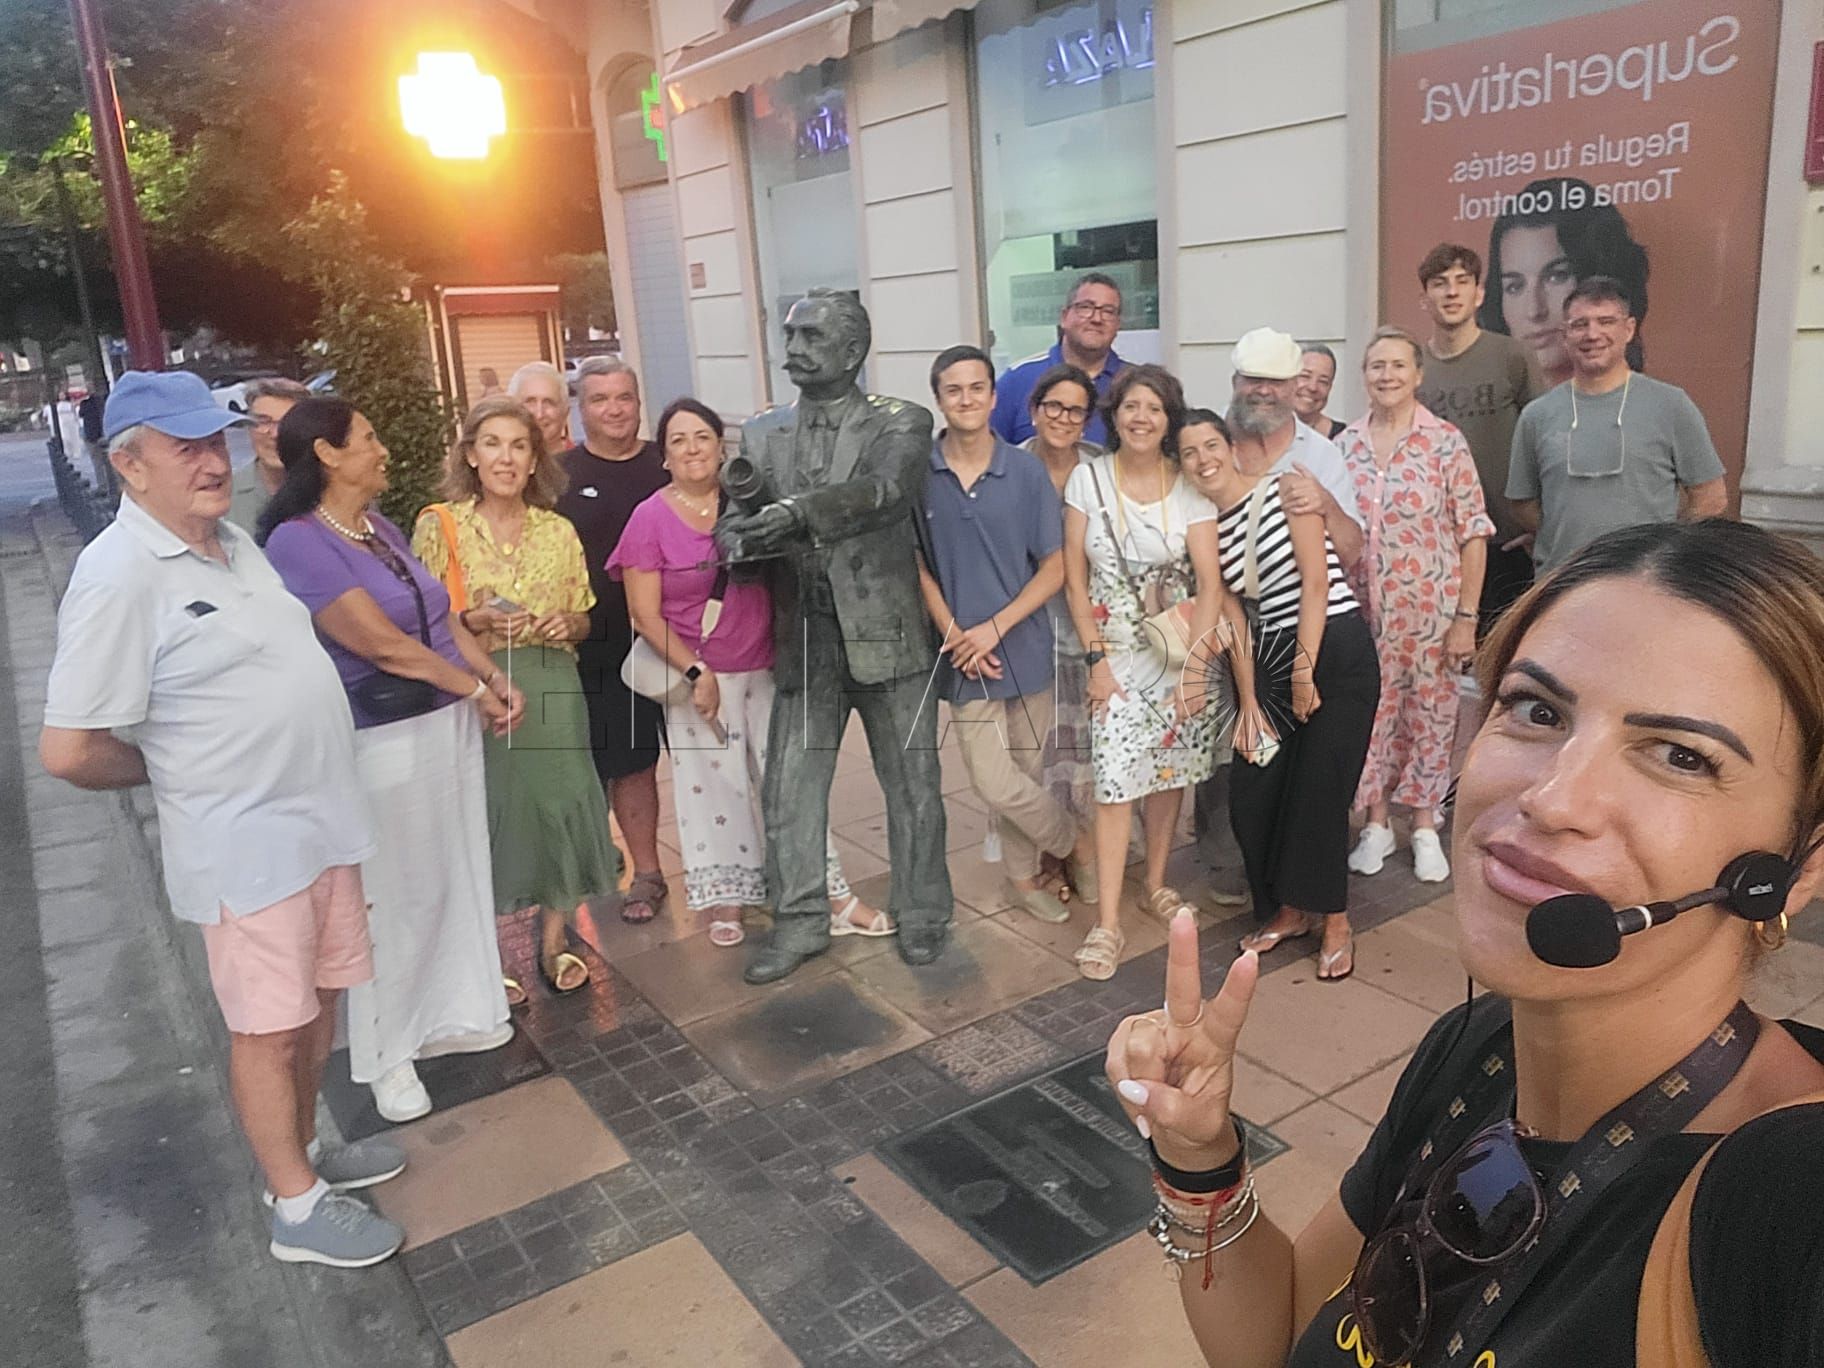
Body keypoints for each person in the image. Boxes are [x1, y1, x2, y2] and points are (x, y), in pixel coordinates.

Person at [1107, 518, 1824, 1368]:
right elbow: (1280, 1334)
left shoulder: (1787, 1207)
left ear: (1798, 867)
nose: (1553, 798)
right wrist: (1199, 1159)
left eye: (1678, 754)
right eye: (1537, 710)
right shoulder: (1476, 1050)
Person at [40, 371, 406, 1268]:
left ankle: (306, 1155)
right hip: (246, 850)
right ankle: (295, 1209)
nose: (212, 462)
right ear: (129, 465)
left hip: (319, 828)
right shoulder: (118, 575)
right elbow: (69, 749)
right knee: (267, 1027)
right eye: (185, 448)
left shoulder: (233, 541)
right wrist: (173, 772)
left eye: (216, 442)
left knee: (318, 1005)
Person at [259, 398, 522, 1124]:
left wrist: (491, 679)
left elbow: (437, 622)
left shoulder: (380, 528)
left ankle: (454, 1011)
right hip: (380, 739)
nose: (383, 450)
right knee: (392, 898)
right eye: (368, 438)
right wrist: (472, 688)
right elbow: (379, 643)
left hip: (443, 728)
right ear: (327, 454)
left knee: (451, 876)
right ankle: (387, 1055)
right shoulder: (297, 543)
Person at [715, 288, 953, 983]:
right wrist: (739, 545)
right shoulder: (762, 433)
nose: (793, 349)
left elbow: (885, 491)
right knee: (789, 790)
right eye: (790, 335)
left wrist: (793, 514)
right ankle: (799, 922)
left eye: (811, 337)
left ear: (853, 351)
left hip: (885, 630)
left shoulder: (901, 420)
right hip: (806, 635)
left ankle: (923, 912)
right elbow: (730, 523)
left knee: (913, 784)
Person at [609, 397, 886, 948]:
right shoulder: (649, 518)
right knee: (716, 793)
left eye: (702, 437)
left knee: (792, 788)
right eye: (678, 440)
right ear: (664, 456)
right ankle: (728, 898)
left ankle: (830, 894)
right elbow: (644, 613)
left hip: (770, 668)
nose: (692, 449)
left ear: (721, 446)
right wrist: (695, 672)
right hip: (698, 677)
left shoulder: (753, 503)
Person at [411, 398, 621, 1001]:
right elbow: (425, 622)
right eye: (493, 443)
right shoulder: (441, 525)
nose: (506, 458)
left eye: (519, 446)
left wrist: (567, 624)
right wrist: (472, 620)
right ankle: (489, 955)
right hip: (476, 684)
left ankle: (554, 942)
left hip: (552, 681)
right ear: (471, 456)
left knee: (562, 801)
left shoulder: (558, 531)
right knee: (491, 811)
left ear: (535, 460)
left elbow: (584, 616)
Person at [1178, 400, 1376, 980]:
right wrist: (1248, 703)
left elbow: (1317, 583)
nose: (1203, 459)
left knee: (1320, 790)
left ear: (1231, 446)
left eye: (1210, 445)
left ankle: (1335, 920)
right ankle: (1288, 910)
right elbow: (1235, 619)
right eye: (1189, 453)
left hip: (1333, 646)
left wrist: (1304, 672)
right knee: (1254, 788)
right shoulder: (1210, 527)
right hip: (1271, 655)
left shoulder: (1284, 490)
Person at [1061, 365, 1236, 981]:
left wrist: (1197, 671)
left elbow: (1210, 584)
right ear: (1115, 414)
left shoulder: (1187, 487)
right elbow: (1075, 580)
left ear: (1169, 420)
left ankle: (1155, 883)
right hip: (1113, 656)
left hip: (1174, 654)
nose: (1142, 417)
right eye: (1132, 406)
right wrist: (1096, 660)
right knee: (1114, 787)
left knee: (1167, 777)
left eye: (1155, 409)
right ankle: (1107, 923)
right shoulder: (1087, 480)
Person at [918, 346, 1098, 926]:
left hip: (1024, 644)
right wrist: (957, 635)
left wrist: (993, 629)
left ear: (994, 397)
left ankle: (1023, 877)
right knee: (994, 781)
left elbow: (1054, 567)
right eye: (954, 389)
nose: (966, 399)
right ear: (939, 399)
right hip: (962, 657)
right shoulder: (921, 474)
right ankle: (1078, 842)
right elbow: (917, 566)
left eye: (977, 388)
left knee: (1029, 769)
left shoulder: (1024, 472)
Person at [1193, 327, 1367, 900]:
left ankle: (1304, 885)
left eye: (1274, 381)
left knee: (1307, 765)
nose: (1263, 391)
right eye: (1252, 380)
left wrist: (1327, 504)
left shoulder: (1320, 455)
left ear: (1295, 387)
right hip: (1229, 615)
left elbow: (1349, 552)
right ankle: (1231, 865)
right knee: (1230, 752)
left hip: (1308, 623)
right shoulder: (1212, 443)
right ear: (1235, 381)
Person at [1336, 328, 1493, 884]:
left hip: (1430, 617)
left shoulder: (1445, 442)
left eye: (1398, 365)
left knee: (1430, 716)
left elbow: (1474, 533)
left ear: (1418, 375)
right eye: (1377, 365)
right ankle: (1376, 823)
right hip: (1362, 617)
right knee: (1372, 718)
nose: (1387, 375)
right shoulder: (1346, 445)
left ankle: (1424, 824)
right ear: (1364, 375)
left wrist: (1466, 618)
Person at [553, 357, 671, 924]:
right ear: (581, 408)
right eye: (600, 399)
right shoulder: (558, 475)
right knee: (626, 764)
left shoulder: (667, 461)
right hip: (601, 649)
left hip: (682, 642)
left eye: (624, 397)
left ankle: (730, 865)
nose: (614, 409)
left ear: (639, 402)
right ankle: (637, 873)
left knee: (713, 760)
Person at [1508, 277, 1727, 574]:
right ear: (1565, 335)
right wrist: (1561, 535)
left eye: (1606, 322)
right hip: (1562, 582)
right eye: (1580, 324)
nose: (1592, 334)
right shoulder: (1537, 415)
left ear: (1629, 329)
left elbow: (1711, 497)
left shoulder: (1670, 405)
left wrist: (1666, 549)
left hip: (1645, 582)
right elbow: (1523, 504)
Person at [1414, 242, 1543, 630]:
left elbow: (1544, 441)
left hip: (1507, 543)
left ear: (1479, 294)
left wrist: (1540, 526)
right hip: (1436, 546)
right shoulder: (1413, 370)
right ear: (1425, 299)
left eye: (1462, 281)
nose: (1451, 292)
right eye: (1440, 283)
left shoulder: (1512, 356)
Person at [1021, 364, 1101, 879]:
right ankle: (1054, 849)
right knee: (1039, 750)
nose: (1063, 418)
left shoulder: (1100, 469)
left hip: (1090, 626)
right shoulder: (1010, 466)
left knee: (1086, 748)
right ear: (1035, 410)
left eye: (1076, 410)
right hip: (1029, 628)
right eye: (1054, 406)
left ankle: (1089, 847)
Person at [1478, 177, 1650, 387]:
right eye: (1515, 287)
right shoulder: (1489, 402)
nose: (1535, 311)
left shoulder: (1660, 402)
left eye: (1556, 276)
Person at [991, 272, 1128, 448]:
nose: (1097, 319)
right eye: (1086, 307)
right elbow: (987, 453)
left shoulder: (1131, 384)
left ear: (1118, 324)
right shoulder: (1017, 380)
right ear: (1064, 317)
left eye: (1108, 311)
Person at [230, 377, 310, 532]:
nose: (275, 434)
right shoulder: (224, 494)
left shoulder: (335, 490)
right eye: (264, 421)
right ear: (249, 427)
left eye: (287, 422)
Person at [509, 360, 572, 454]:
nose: (539, 414)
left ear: (565, 413)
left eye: (549, 402)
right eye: (530, 402)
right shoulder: (500, 462)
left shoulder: (584, 463)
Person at [1292, 344, 1345, 440]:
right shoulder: (1268, 431)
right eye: (1305, 376)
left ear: (1330, 387)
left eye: (1323, 381)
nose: (1313, 387)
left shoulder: (1343, 438)